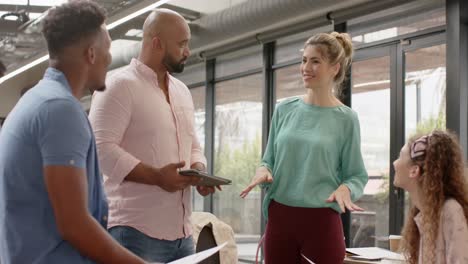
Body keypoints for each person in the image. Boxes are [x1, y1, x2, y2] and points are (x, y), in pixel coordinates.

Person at [0, 1, 146, 263]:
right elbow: (74, 224)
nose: (110, 58)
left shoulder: (37, 100)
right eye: (108, 48)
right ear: (91, 53)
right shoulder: (60, 110)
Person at [89, 8, 217, 263]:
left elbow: (191, 143)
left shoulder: (182, 91)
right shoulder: (118, 86)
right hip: (134, 231)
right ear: (157, 43)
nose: (187, 51)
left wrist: (199, 170)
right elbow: (99, 148)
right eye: (182, 44)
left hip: (182, 234)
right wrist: (157, 177)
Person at [240, 32, 368, 264]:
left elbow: (356, 175)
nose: (306, 67)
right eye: (304, 60)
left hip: (322, 221)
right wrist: (263, 171)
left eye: (315, 61)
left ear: (335, 68)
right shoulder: (284, 110)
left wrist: (346, 189)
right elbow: (267, 160)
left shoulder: (346, 119)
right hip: (280, 218)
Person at [393, 130, 468, 264]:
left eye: (400, 156)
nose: (394, 163)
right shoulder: (422, 214)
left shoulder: (451, 211)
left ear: (414, 171)